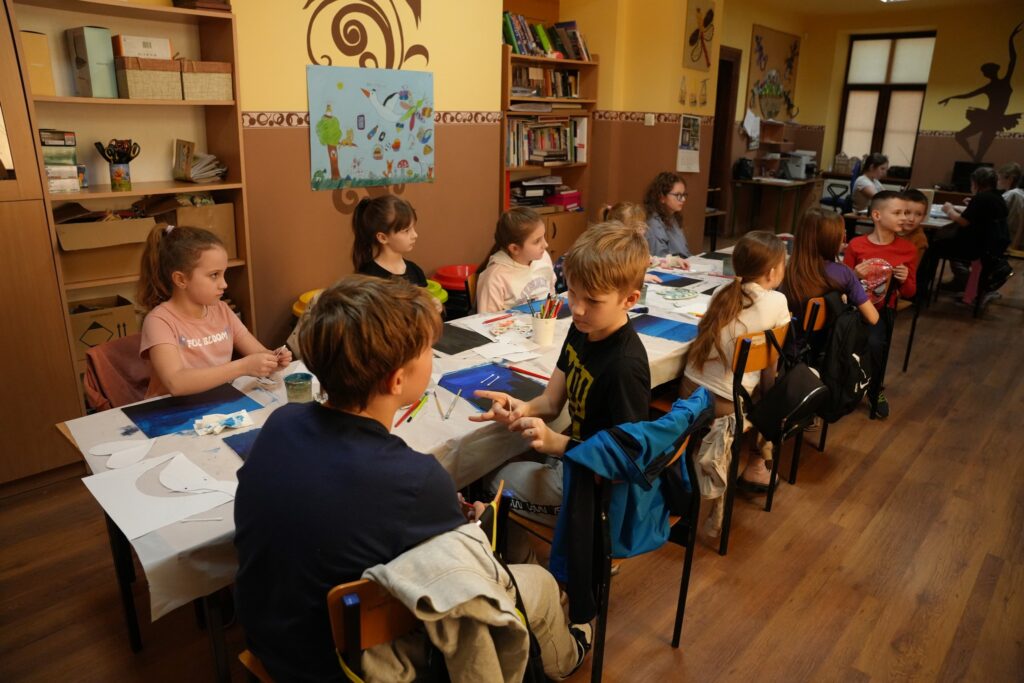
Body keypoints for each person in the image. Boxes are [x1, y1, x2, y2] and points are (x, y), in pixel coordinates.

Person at [234, 276, 592, 682]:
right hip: (344, 667)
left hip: (271, 642)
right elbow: (456, 575)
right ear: (396, 379)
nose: (433, 357)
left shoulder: (281, 422)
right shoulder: (416, 479)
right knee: (540, 584)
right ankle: (568, 658)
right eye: (427, 351)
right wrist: (475, 527)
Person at [472, 222, 651, 526]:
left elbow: (626, 463)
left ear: (629, 300)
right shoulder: (583, 328)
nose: (577, 309)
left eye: (592, 300)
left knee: (488, 481)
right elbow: (552, 402)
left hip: (595, 489)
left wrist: (556, 443)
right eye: (573, 293)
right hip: (574, 457)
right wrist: (521, 408)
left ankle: (533, 551)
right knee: (490, 459)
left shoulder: (624, 366)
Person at [681, 231, 790, 489]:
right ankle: (757, 466)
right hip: (725, 404)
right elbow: (770, 367)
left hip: (687, 390)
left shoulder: (722, 292)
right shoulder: (777, 301)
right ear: (772, 272)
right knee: (775, 391)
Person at [137, 224, 291, 398]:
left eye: (224, 274)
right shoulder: (158, 321)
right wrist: (243, 367)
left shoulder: (222, 309)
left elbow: (257, 353)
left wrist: (273, 359)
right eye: (214, 275)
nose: (224, 284)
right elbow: (176, 383)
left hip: (215, 403)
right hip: (170, 410)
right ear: (181, 279)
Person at [844, 191, 917, 419]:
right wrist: (855, 274)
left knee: (876, 345)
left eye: (906, 212)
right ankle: (845, 384)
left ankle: (875, 389)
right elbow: (842, 283)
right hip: (854, 310)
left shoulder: (907, 249)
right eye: (897, 213)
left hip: (883, 311)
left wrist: (904, 279)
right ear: (877, 215)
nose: (904, 218)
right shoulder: (856, 245)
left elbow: (910, 292)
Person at [939, 22, 1023, 162]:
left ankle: (975, 158)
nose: (984, 74)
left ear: (988, 73)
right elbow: (968, 95)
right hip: (988, 118)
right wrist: (951, 97)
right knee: (963, 138)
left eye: (985, 72)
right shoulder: (994, 85)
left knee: (979, 147)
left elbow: (1013, 60)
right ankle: (974, 156)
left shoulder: (1001, 83)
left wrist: (1011, 39)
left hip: (993, 119)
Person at [782, 208, 879, 326]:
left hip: (788, 336)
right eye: (842, 235)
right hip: (830, 337)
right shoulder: (844, 273)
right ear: (832, 240)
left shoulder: (785, 271)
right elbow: (873, 318)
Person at [925, 167, 1011, 295]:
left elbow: (963, 221)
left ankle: (922, 286)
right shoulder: (997, 197)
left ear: (976, 183)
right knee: (946, 241)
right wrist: (971, 205)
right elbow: (979, 216)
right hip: (991, 247)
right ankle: (960, 281)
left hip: (974, 248)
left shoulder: (981, 198)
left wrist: (949, 210)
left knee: (932, 246)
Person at [475, 207, 556, 314]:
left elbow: (552, 297)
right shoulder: (494, 277)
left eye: (543, 236)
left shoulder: (543, 257)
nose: (546, 245)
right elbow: (486, 320)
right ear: (514, 249)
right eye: (537, 241)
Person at [352, 194, 428, 287]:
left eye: (413, 228)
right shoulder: (368, 279)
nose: (415, 235)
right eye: (406, 230)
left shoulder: (416, 271)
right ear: (382, 238)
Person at [643, 171, 692, 258]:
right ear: (662, 197)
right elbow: (660, 257)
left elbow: (684, 252)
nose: (683, 199)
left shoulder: (673, 217)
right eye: (678, 195)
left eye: (684, 195)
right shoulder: (653, 223)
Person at [997, 162, 1024, 253]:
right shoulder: (1020, 193)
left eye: (999, 178)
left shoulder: (1012, 194)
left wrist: (1014, 245)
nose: (998, 182)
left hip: (1010, 240)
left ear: (1010, 179)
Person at [900, 189, 931, 266]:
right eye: (907, 212)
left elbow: (912, 269)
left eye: (918, 214)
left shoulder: (919, 240)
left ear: (923, 217)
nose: (912, 219)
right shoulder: (888, 230)